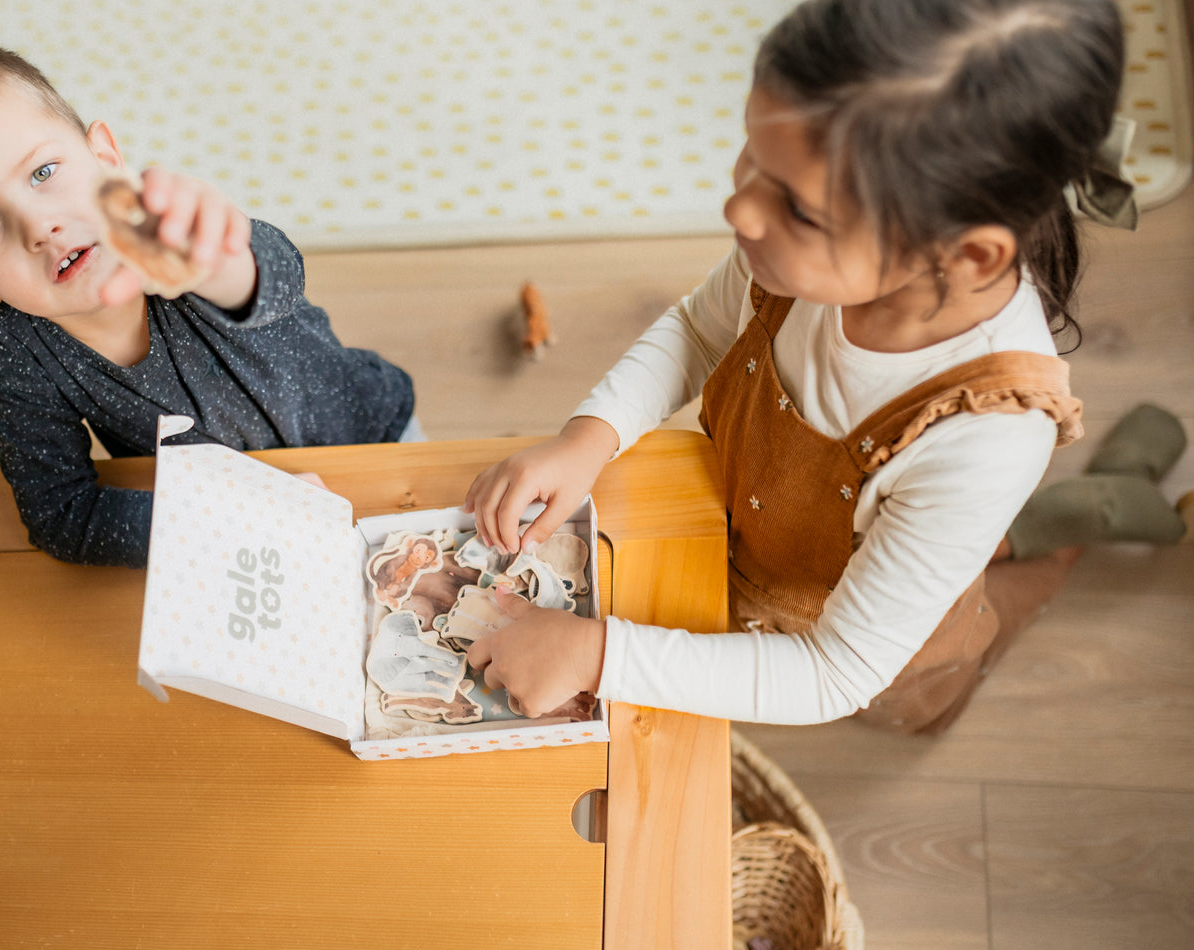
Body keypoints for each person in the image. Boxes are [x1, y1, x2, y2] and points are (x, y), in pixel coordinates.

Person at [462, 0, 1188, 734]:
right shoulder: (805, 251)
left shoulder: (990, 439)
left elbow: (836, 672)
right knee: (936, 539)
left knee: (943, 677)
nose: (739, 208)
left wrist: (597, 655)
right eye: (753, 154)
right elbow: (696, 326)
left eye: (798, 207)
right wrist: (588, 437)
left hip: (876, 652)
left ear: (969, 254)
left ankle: (1079, 520)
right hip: (757, 549)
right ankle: (1039, 520)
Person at [0, 35, 417, 568]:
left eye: (43, 172)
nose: (39, 226)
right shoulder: (20, 348)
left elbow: (277, 278)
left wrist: (219, 264)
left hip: (380, 444)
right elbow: (61, 513)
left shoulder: (168, 235)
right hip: (251, 533)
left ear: (105, 158)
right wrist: (235, 518)